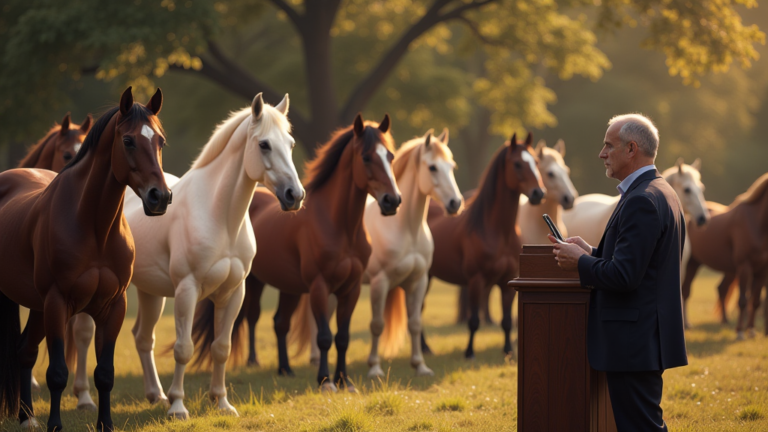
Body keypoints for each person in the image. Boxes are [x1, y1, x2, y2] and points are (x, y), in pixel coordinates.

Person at [550, 114, 687, 431]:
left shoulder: (642, 200)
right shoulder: (659, 190)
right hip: (642, 340)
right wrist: (593, 253)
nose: (601, 154)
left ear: (631, 149)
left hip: (634, 342)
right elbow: (642, 263)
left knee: (641, 426)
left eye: (608, 146)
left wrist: (580, 263)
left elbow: (625, 276)